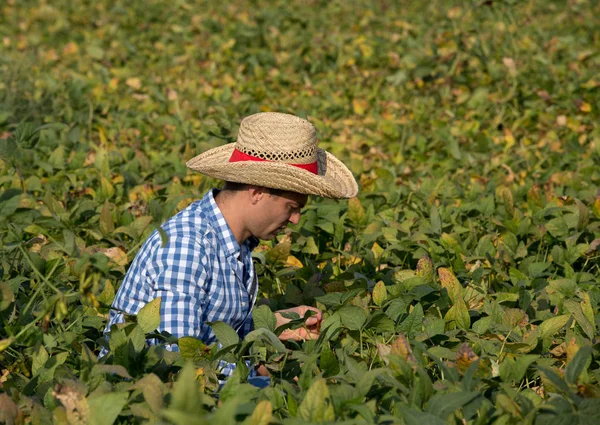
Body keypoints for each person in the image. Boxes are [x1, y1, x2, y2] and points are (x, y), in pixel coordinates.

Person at [102, 112, 358, 377]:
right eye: (291, 207)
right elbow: (180, 363)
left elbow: (215, 331)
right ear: (257, 191)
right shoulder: (187, 246)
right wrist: (261, 372)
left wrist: (277, 324)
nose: (295, 219)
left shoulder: (236, 242)